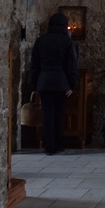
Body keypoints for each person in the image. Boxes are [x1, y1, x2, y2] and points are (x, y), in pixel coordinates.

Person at [30, 13, 78, 156]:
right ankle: (58, 144)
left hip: (44, 81)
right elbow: (71, 65)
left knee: (48, 115)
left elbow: (35, 65)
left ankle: (49, 146)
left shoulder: (41, 40)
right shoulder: (67, 42)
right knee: (59, 114)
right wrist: (72, 85)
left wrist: (34, 85)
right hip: (61, 82)